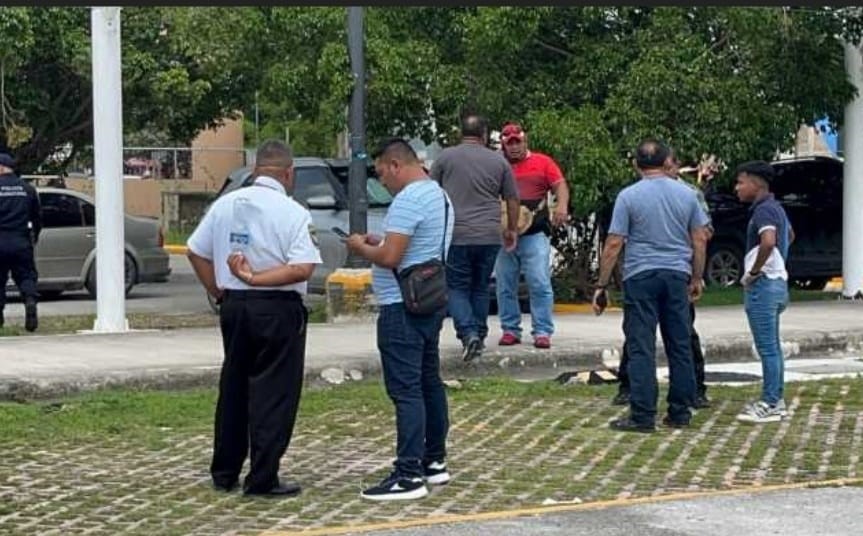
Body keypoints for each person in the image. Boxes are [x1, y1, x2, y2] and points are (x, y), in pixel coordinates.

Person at [186, 139, 322, 496]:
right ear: (288, 173)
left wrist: (218, 289)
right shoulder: (293, 212)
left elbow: (195, 250)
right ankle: (262, 477)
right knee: (274, 393)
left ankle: (224, 471)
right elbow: (302, 267)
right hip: (277, 308)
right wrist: (257, 278)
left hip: (234, 306)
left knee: (234, 387)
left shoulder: (225, 205)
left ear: (255, 169)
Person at [345, 138, 454, 501]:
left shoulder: (407, 200)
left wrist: (362, 248)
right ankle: (433, 460)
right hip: (430, 299)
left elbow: (391, 257)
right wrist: (382, 242)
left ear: (395, 165)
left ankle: (407, 474)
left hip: (400, 305)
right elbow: (414, 245)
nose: (382, 183)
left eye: (381, 174)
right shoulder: (439, 196)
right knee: (428, 382)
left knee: (405, 390)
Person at [593, 139, 710, 433]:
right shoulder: (687, 194)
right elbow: (699, 238)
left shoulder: (629, 196)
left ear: (636, 164)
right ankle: (680, 411)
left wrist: (602, 284)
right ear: (666, 160)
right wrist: (696, 277)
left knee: (641, 345)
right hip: (676, 274)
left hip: (640, 275)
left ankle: (643, 414)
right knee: (679, 344)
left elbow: (614, 243)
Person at [430, 113, 520, 362]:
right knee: (480, 286)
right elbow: (512, 199)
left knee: (457, 287)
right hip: (489, 235)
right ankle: (478, 334)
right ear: (483, 134)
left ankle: (468, 333)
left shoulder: (445, 158)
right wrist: (511, 229)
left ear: (462, 133)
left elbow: (429, 191)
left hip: (456, 234)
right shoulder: (498, 161)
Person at [495, 122, 570, 349]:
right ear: (504, 145)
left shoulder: (543, 162)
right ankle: (510, 329)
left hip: (535, 232)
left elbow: (560, 185)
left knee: (539, 282)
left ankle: (542, 331)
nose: (514, 147)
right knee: (505, 284)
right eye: (510, 143)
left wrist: (562, 206)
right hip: (504, 232)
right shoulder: (497, 165)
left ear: (525, 142)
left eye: (518, 142)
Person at [733, 160, 794, 423]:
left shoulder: (763, 211)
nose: (737, 188)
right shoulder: (777, 208)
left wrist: (755, 271)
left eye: (741, 182)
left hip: (763, 286)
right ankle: (776, 398)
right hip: (778, 283)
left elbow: (768, 241)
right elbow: (789, 235)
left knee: (767, 348)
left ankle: (770, 402)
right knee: (774, 348)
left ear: (756, 183)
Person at [0, 150, 41, 332]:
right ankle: (30, 302)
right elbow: (37, 218)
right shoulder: (28, 189)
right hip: (21, 241)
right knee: (26, 276)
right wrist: (34, 237)